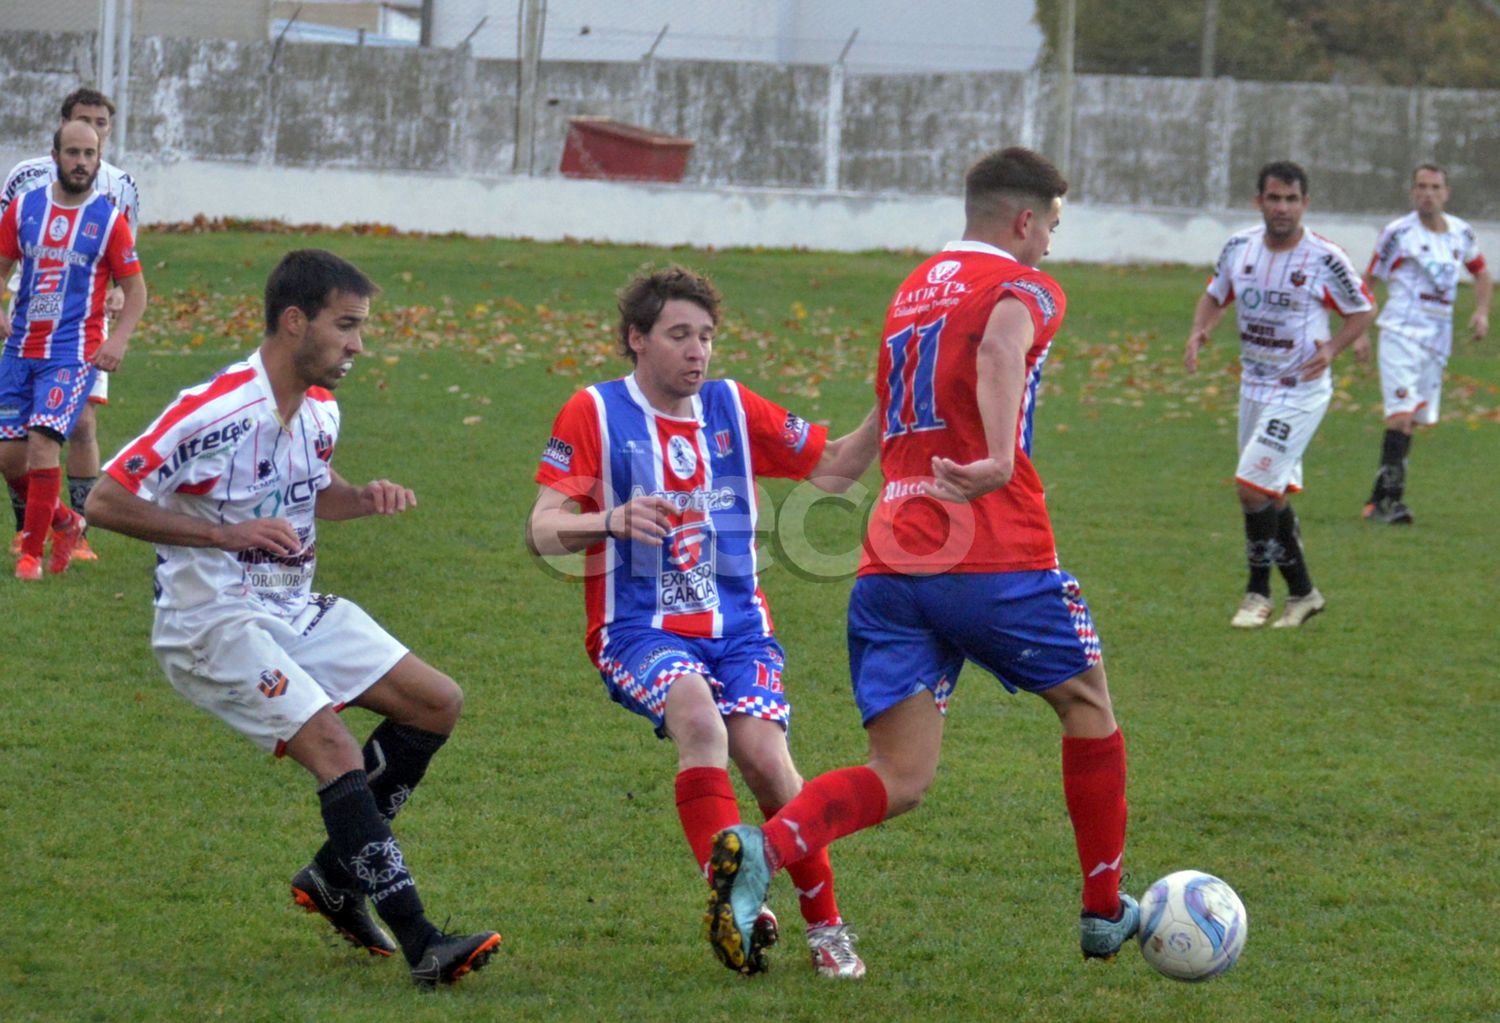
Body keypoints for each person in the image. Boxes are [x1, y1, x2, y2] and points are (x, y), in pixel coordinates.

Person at [699, 146, 1139, 973]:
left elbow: (857, 448)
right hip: (991, 549)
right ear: (1024, 219)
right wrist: (1002, 459)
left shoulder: (911, 294)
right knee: (1087, 704)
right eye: (1050, 224)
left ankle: (763, 850)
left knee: (898, 775)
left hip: (889, 562)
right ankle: (1103, 907)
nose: (1049, 242)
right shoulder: (1025, 283)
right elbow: (1003, 348)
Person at [84, 249, 501, 986]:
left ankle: (336, 878)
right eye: (346, 326)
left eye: (361, 328)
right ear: (294, 320)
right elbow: (105, 500)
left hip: (290, 603)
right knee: (334, 744)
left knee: (437, 703)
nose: (358, 344)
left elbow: (312, 492)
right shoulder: (213, 410)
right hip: (211, 621)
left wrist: (361, 495)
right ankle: (423, 942)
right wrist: (221, 534)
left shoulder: (319, 410)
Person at [526, 266, 880, 978]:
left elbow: (837, 469)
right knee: (699, 720)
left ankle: (827, 928)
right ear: (637, 339)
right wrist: (609, 519)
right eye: (679, 335)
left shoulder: (731, 406)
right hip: (638, 631)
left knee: (769, 764)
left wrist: (889, 400)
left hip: (739, 628)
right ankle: (739, 900)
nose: (698, 351)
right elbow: (542, 529)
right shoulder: (593, 411)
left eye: (707, 336)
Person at [1184, 160, 1376, 629]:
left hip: (1301, 390)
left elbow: (1362, 309)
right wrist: (1199, 331)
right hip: (1254, 387)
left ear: (1305, 204)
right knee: (1272, 494)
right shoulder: (1239, 248)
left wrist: (1332, 348)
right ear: (1259, 202)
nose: (1283, 208)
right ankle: (1305, 594)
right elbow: (1216, 294)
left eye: (1292, 199)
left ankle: (1257, 594)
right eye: (1274, 198)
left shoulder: (1324, 257)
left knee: (1252, 488)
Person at [0, 121, 146, 581]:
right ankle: (66, 521)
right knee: (9, 457)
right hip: (21, 348)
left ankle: (31, 557)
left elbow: (136, 291)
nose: (81, 161)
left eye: (89, 154)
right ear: (55, 156)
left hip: (72, 353)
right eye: (73, 152)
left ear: (98, 160)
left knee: (44, 443)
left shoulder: (108, 220)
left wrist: (116, 340)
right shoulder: (23, 209)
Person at [1359, 163, 1491, 524]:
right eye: (1420, 186)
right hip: (1400, 333)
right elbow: (1367, 281)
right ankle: (1392, 504)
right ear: (1412, 191)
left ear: (1446, 193)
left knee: (1412, 421)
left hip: (1437, 340)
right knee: (1399, 417)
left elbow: (1481, 272)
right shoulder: (1397, 233)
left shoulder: (1460, 233)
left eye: (1434, 187)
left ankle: (1377, 500)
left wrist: (1481, 312)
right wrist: (1359, 332)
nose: (1427, 193)